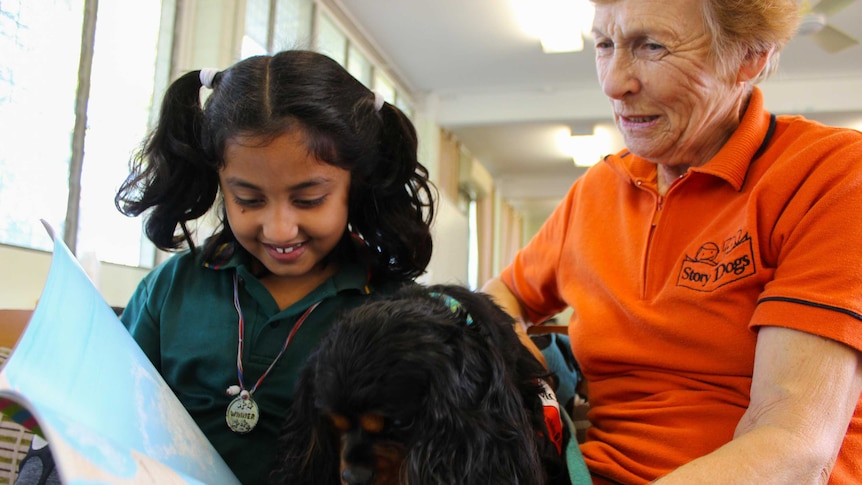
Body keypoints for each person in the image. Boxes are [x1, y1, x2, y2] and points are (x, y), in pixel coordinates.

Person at [482, 0, 862, 483]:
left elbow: (794, 449)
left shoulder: (831, 175)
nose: (613, 82)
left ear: (750, 56)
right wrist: (520, 362)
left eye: (652, 46)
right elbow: (501, 294)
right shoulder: (598, 189)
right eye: (603, 44)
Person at [16, 50, 435, 485]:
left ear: (356, 184)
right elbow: (109, 413)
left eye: (309, 200)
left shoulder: (392, 312)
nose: (278, 229)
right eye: (249, 200)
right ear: (218, 181)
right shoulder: (172, 289)